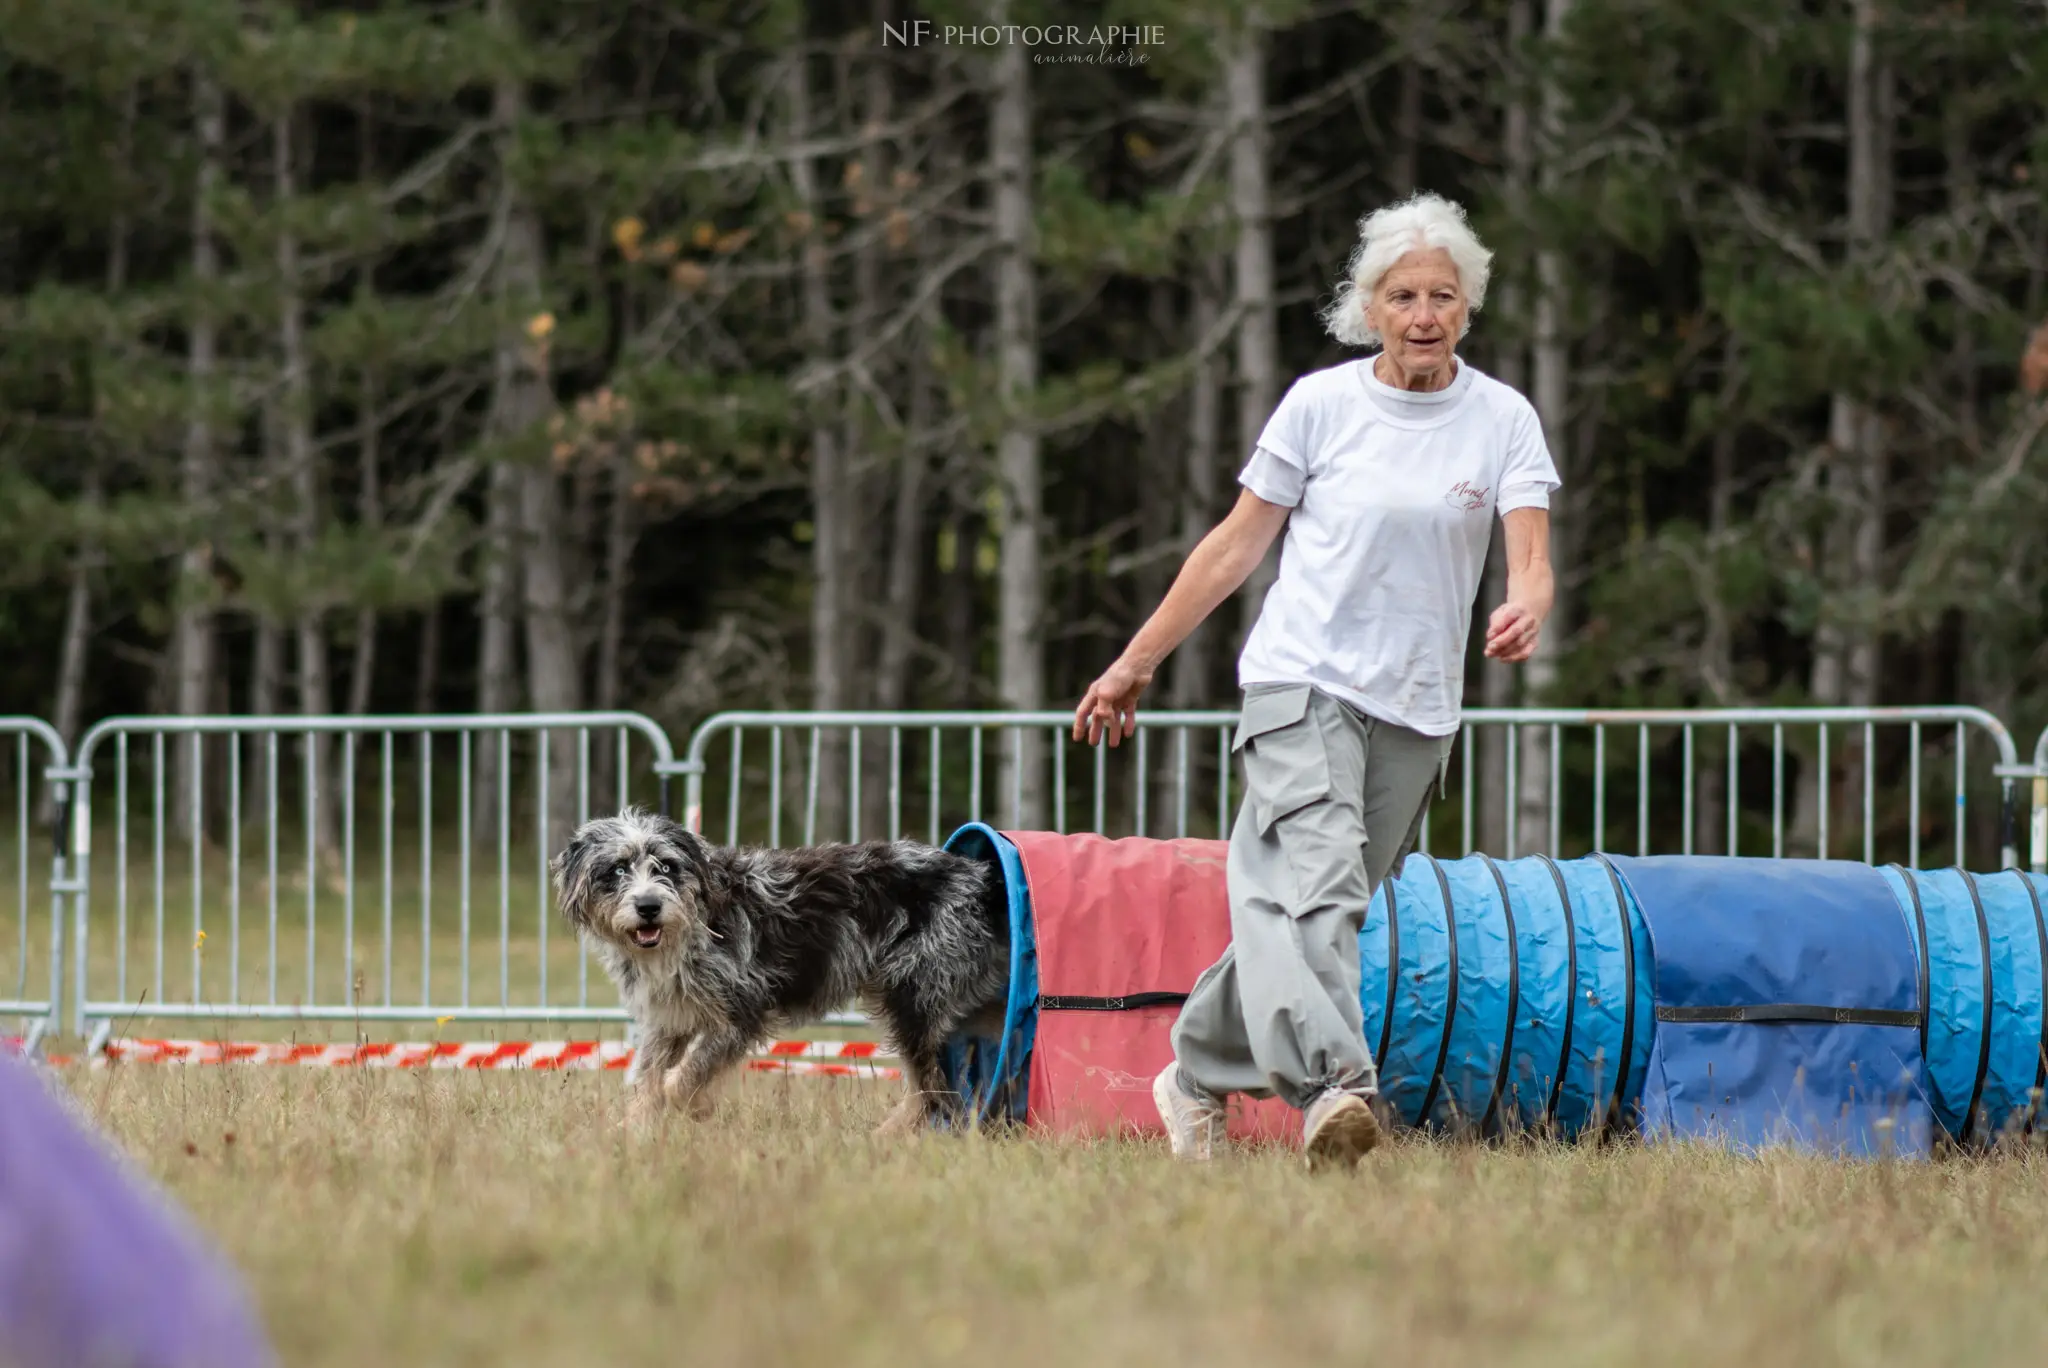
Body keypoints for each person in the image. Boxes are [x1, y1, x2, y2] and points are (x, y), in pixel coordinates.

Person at [1071, 191, 1559, 1171]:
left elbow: (1531, 556)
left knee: (1303, 908)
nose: (1423, 314)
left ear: (1467, 308)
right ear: (1367, 307)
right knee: (1317, 889)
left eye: (1442, 295)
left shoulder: (1501, 418)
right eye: (1402, 294)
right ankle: (1336, 1086)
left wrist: (1526, 604)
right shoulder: (1320, 404)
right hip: (1302, 684)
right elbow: (1231, 548)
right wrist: (1135, 661)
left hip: (1417, 709)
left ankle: (1196, 1073)